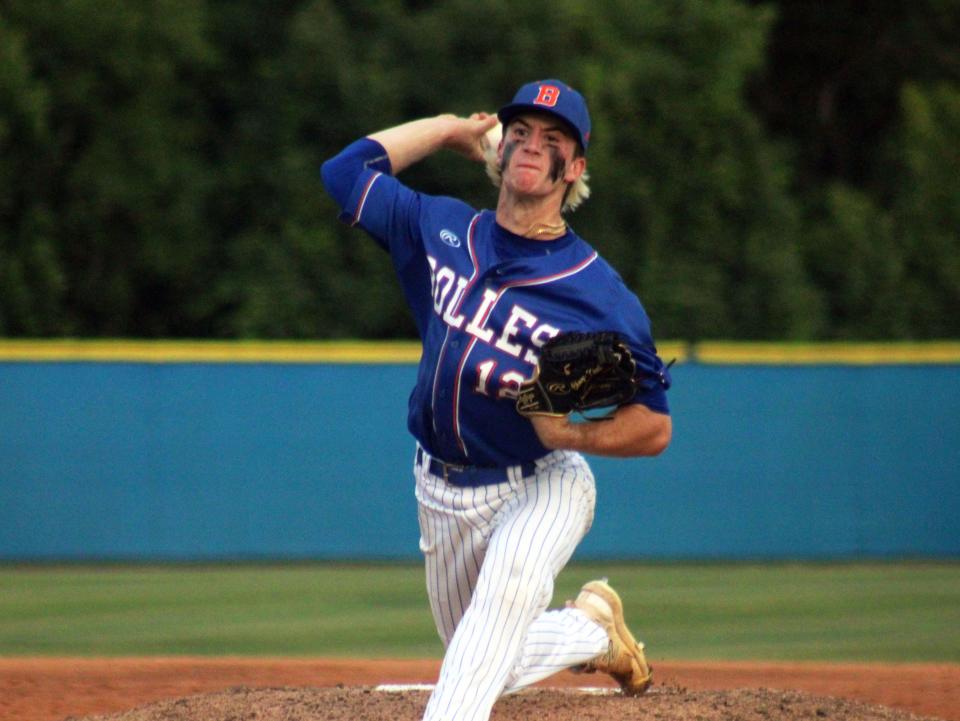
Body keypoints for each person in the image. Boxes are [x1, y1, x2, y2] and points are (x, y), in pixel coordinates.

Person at [321, 79, 672, 721]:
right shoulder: (440, 228)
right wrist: (448, 127)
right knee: (484, 655)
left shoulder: (599, 295)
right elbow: (345, 172)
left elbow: (653, 425)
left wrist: (573, 437)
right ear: (500, 149)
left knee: (476, 661)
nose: (533, 145)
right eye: (521, 132)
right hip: (441, 492)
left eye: (553, 138)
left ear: (576, 168)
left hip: (542, 482)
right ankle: (592, 631)